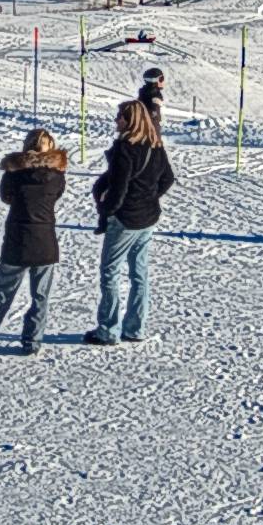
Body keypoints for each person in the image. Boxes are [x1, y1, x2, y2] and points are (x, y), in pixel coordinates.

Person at [0, 129, 66, 355]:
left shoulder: (14, 173)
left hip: (18, 239)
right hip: (45, 241)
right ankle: (32, 341)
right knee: (40, 295)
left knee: (2, 291)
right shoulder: (57, 175)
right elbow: (57, 195)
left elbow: (6, 197)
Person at [84, 99, 174, 346]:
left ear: (130, 120)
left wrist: (107, 209)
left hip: (126, 220)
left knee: (110, 273)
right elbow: (168, 178)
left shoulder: (126, 149)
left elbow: (118, 189)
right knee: (139, 275)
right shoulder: (156, 146)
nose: (116, 121)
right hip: (147, 219)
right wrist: (149, 198)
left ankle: (108, 330)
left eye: (120, 117)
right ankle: (135, 328)